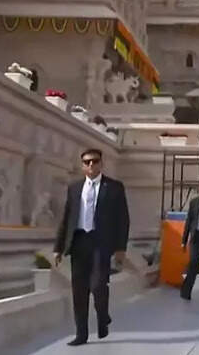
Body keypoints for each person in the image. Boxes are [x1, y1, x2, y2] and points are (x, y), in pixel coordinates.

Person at [53, 148, 130, 347]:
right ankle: (81, 334)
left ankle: (103, 316)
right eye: (86, 162)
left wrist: (121, 248)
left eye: (94, 161)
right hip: (79, 241)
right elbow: (66, 218)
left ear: (101, 164)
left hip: (100, 242)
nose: (91, 165)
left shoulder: (114, 187)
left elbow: (123, 219)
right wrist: (58, 247)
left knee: (97, 285)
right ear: (82, 166)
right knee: (79, 290)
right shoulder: (75, 188)